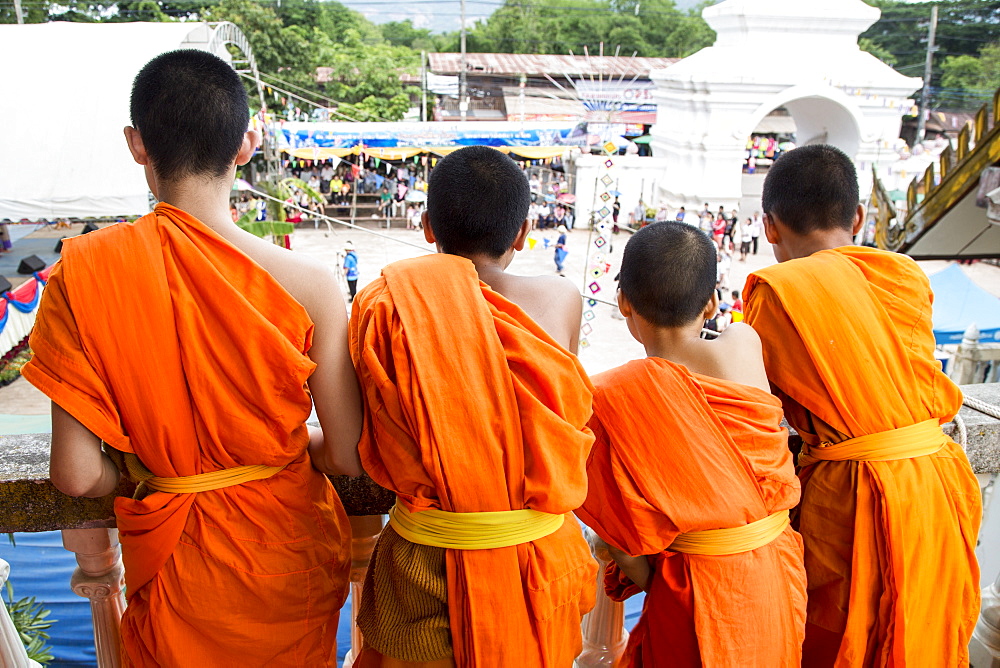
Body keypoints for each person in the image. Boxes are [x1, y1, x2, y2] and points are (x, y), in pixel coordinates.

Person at [22, 50, 361, 666]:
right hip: (285, 558)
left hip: (175, 558)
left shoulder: (87, 272)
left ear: (136, 144)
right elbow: (345, 453)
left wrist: (154, 465)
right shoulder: (312, 284)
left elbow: (75, 475)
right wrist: (266, 455)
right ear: (245, 144)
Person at [349, 145, 596, 667]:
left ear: (426, 226)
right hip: (536, 568)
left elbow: (365, 435)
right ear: (523, 232)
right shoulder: (561, 298)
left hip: (423, 571)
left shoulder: (387, 306)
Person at [743, 144, 982, 666]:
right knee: (926, 631)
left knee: (838, 639)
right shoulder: (904, 274)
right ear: (857, 216)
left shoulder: (776, 292)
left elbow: (761, 407)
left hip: (848, 496)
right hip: (934, 485)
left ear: (770, 226)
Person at [577, 221, 806, 666]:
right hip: (774, 574)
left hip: (689, 594)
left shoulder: (605, 397)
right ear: (713, 303)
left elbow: (618, 536)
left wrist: (659, 586)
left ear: (623, 303)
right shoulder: (744, 342)